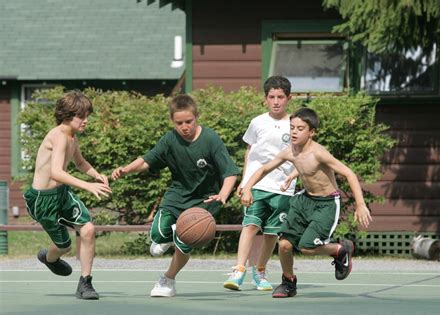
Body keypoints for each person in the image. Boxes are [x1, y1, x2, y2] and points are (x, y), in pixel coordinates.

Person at [112, 94, 239, 297]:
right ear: (173, 121)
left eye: (188, 121)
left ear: (196, 117)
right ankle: (170, 232)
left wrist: (223, 194)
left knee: (185, 240)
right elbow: (147, 160)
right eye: (179, 123)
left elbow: (230, 171)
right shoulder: (170, 140)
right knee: (156, 236)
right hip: (178, 194)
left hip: (205, 199)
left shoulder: (210, 139)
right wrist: (126, 170)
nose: (184, 126)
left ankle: (168, 280)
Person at [240, 107, 372, 298]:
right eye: (292, 127)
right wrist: (247, 187)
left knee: (306, 247)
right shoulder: (290, 152)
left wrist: (360, 204)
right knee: (284, 244)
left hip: (326, 204)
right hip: (305, 200)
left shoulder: (319, 153)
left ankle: (340, 250)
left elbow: (349, 174)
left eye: (300, 128)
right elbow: (264, 169)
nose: (294, 132)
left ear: (311, 132)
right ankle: (288, 282)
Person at [23, 90, 112, 300]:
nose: (86, 121)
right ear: (67, 115)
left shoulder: (72, 138)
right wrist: (87, 186)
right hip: (42, 201)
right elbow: (56, 172)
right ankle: (49, 258)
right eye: (82, 116)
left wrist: (96, 174)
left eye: (87, 116)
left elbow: (80, 163)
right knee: (64, 246)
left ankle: (85, 283)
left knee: (88, 228)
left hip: (62, 194)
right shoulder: (58, 136)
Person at [223, 76, 297, 292]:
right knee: (251, 225)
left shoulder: (295, 123)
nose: (276, 101)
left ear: (288, 98)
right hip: (257, 185)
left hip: (283, 188)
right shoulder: (257, 122)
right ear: (265, 99)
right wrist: (245, 181)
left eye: (280, 97)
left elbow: (301, 154)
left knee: (271, 232)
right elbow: (250, 152)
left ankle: (260, 271)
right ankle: (238, 270)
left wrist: (293, 174)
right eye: (271, 97)